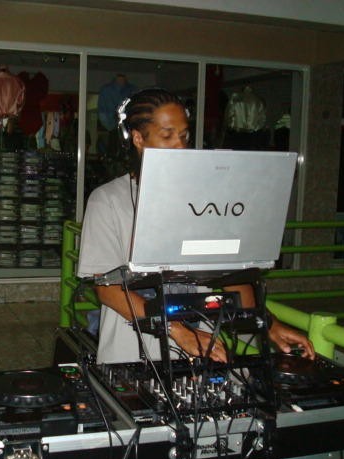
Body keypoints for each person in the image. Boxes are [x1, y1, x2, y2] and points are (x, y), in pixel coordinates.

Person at [77, 88, 315, 365]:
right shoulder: (107, 200)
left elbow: (230, 274)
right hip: (131, 356)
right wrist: (179, 331)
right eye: (167, 136)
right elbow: (107, 289)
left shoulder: (207, 200)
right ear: (138, 139)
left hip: (201, 354)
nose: (180, 146)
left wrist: (269, 324)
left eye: (184, 136)